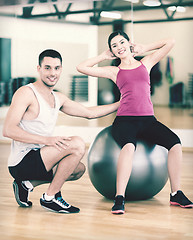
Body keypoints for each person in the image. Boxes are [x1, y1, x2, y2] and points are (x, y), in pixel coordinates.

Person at [76, 30, 193, 214]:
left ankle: (176, 193)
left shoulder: (145, 63)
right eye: (114, 46)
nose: (119, 47)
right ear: (112, 51)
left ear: (128, 43)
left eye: (122, 42)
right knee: (129, 147)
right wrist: (102, 56)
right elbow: (81, 67)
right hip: (125, 121)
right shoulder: (114, 71)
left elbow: (170, 41)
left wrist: (145, 47)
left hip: (148, 121)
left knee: (175, 143)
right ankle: (119, 197)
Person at [3, 49, 120, 214]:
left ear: (61, 69)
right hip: (21, 162)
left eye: (56, 68)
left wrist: (123, 103)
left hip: (41, 157)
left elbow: (89, 113)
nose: (53, 73)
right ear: (39, 69)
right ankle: (50, 198)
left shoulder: (58, 98)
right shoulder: (26, 93)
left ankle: (26, 184)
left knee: (77, 169)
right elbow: (8, 130)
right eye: (48, 68)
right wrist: (47, 140)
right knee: (77, 144)